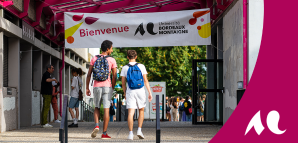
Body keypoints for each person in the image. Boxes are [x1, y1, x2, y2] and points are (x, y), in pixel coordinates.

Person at [86, 40, 117, 139]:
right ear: (107, 49)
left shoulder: (94, 58)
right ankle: (104, 133)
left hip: (96, 86)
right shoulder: (112, 60)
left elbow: (89, 74)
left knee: (97, 107)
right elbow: (115, 75)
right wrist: (112, 87)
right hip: (107, 86)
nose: (112, 50)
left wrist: (87, 87)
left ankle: (96, 125)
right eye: (111, 48)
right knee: (106, 109)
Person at [120, 50, 152, 140]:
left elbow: (123, 83)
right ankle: (139, 130)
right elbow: (145, 80)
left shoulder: (125, 68)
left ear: (127, 57)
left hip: (130, 91)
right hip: (140, 90)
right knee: (141, 110)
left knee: (131, 112)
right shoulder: (141, 66)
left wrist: (125, 93)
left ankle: (130, 134)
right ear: (136, 57)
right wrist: (149, 92)